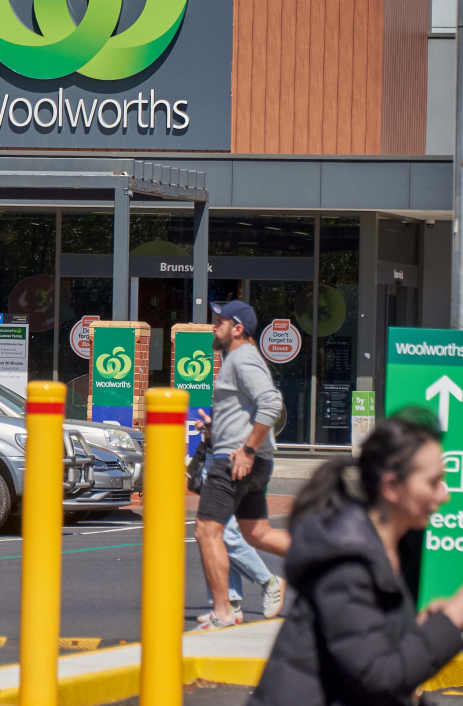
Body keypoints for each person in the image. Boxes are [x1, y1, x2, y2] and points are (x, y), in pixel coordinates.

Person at [248, 409, 463, 706]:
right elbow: (377, 679)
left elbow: (374, 652)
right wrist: (453, 618)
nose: (444, 495)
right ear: (391, 487)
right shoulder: (347, 561)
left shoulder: (390, 547)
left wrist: (428, 626)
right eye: (433, 482)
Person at [194, 300, 292, 630]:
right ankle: (327, 560)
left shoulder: (243, 358)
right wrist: (217, 426)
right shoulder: (237, 358)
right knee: (257, 532)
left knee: (207, 530)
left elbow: (271, 403)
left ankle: (224, 612)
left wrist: (247, 449)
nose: (214, 326)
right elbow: (247, 409)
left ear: (237, 329)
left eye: (220, 321)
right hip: (249, 461)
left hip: (233, 462)